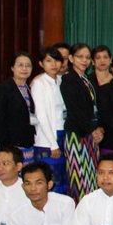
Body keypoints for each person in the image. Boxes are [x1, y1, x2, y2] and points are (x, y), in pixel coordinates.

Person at [60, 43, 104, 199]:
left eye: (87, 57)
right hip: (77, 135)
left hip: (90, 134)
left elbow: (94, 108)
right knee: (79, 180)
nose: (84, 60)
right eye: (80, 57)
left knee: (91, 178)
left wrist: (99, 128)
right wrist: (93, 129)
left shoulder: (86, 79)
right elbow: (75, 110)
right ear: (71, 58)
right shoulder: (68, 79)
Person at [6, 161, 74, 225]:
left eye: (39, 183)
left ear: (49, 185)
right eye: (28, 184)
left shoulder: (65, 204)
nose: (33, 188)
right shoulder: (16, 216)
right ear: (23, 187)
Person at [32, 48, 68, 194]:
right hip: (47, 140)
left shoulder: (61, 80)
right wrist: (53, 144)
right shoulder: (39, 83)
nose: (53, 64)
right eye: (48, 61)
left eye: (56, 60)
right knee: (50, 180)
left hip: (62, 134)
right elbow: (41, 116)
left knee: (62, 178)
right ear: (41, 63)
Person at [0, 52, 36, 162]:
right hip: (9, 144)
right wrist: (5, 149)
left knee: (26, 176)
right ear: (12, 68)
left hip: (26, 143)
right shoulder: (3, 89)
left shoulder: (29, 88)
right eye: (20, 65)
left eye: (28, 65)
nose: (24, 68)